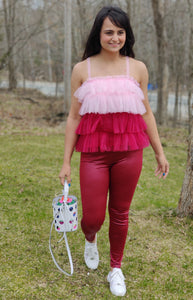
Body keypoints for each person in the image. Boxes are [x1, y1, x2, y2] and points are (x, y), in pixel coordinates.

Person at [59, 6, 169, 297]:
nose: (115, 37)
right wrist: (66, 161)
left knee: (120, 212)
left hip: (129, 152)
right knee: (93, 216)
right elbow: (73, 117)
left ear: (126, 35)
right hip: (93, 153)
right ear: (99, 34)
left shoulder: (138, 68)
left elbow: (146, 114)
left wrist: (159, 152)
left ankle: (115, 269)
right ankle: (90, 238)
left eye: (120, 32)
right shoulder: (83, 69)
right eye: (109, 31)